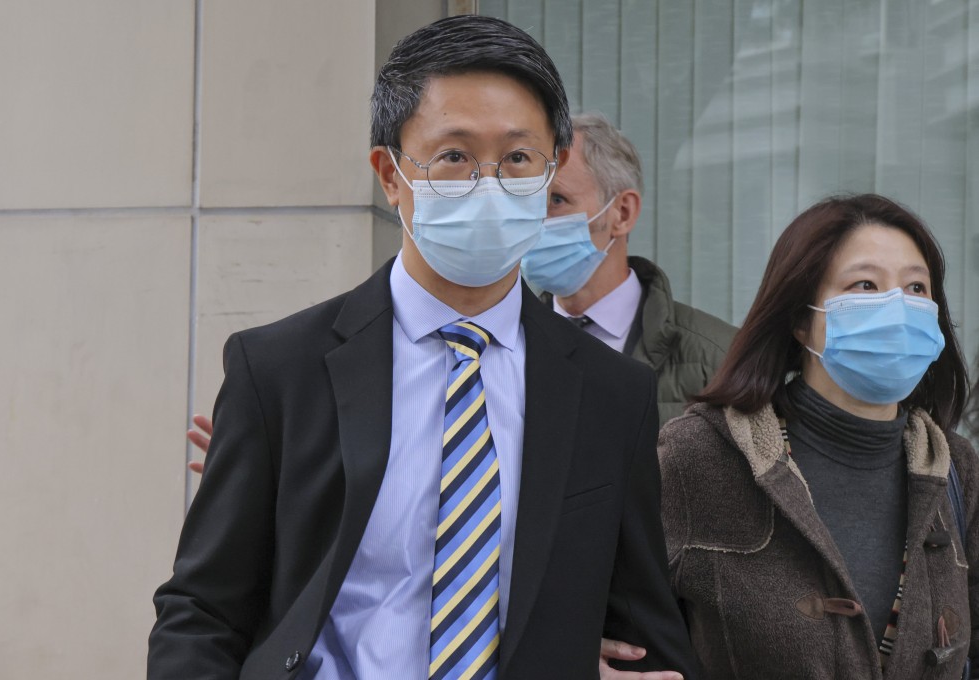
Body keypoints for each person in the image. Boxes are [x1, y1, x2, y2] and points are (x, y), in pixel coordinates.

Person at [148, 15, 697, 680]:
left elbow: (642, 629)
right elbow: (203, 611)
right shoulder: (279, 372)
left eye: (518, 159)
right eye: (454, 157)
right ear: (390, 174)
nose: (488, 183)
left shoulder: (612, 395)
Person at [656, 194, 976, 678]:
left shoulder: (955, 467)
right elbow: (594, 612)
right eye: (865, 285)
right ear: (801, 321)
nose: (897, 307)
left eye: (916, 287)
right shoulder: (699, 455)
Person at [521, 112, 736, 424]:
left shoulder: (718, 357)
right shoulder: (500, 345)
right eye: (526, 202)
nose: (535, 221)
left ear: (622, 213)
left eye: (556, 199)